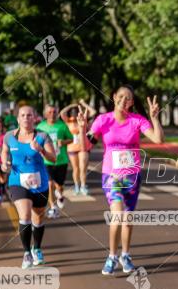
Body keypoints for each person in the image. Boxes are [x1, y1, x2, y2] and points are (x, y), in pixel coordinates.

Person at [90, 86, 163, 275]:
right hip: (111, 176)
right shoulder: (103, 120)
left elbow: (158, 139)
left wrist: (154, 117)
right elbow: (87, 144)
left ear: (131, 102)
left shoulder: (137, 120)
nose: (124, 100)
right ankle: (112, 256)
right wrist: (83, 128)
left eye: (128, 98)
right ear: (114, 97)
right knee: (117, 216)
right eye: (120, 96)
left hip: (132, 176)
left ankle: (125, 255)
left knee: (128, 218)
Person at [0, 105, 57, 269]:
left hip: (40, 183)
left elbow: (53, 158)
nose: (26, 118)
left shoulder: (42, 136)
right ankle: (26, 254)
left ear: (35, 118)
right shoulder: (9, 136)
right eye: (23, 115)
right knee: (25, 215)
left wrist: (42, 151)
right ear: (18, 119)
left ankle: (37, 248)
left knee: (38, 217)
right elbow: (5, 152)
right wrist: (4, 163)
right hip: (18, 182)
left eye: (29, 115)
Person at [37, 105, 72, 218]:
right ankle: (53, 207)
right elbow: (35, 141)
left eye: (54, 111)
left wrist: (64, 142)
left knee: (60, 186)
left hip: (61, 160)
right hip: (46, 161)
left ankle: (60, 194)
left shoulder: (62, 126)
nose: (52, 114)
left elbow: (71, 139)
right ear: (46, 114)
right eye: (50, 112)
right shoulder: (40, 127)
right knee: (50, 183)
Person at [60, 101, 96, 196]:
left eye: (76, 111)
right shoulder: (69, 121)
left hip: (83, 147)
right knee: (75, 169)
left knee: (83, 168)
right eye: (73, 112)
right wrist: (72, 105)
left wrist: (83, 104)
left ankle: (83, 186)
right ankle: (76, 186)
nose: (74, 113)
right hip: (72, 148)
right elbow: (62, 113)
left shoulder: (84, 119)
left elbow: (93, 111)